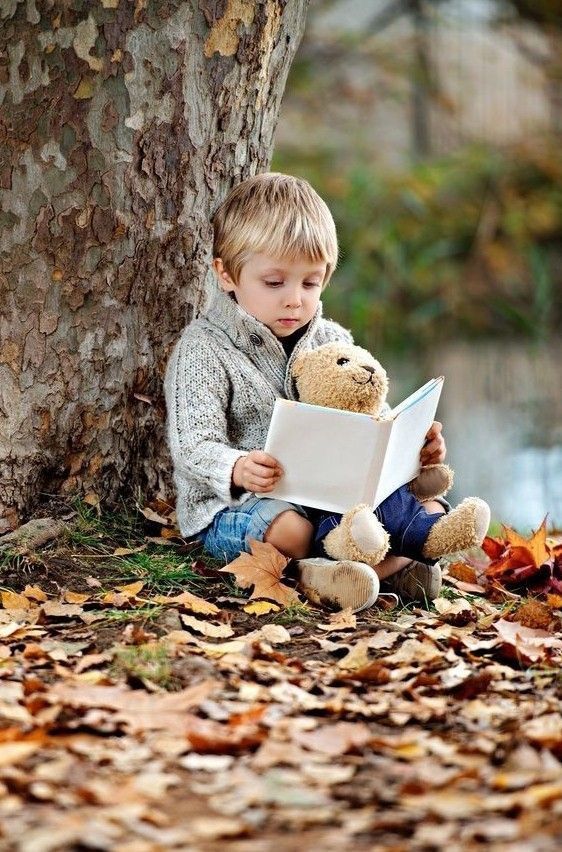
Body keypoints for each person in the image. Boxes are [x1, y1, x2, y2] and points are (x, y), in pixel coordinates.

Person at [164, 173, 448, 612]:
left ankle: (356, 571)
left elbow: (374, 417)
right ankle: (371, 568)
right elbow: (192, 445)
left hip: (332, 504)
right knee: (290, 531)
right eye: (274, 283)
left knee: (427, 512)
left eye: (310, 284)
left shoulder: (332, 338)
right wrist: (237, 467)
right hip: (240, 508)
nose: (294, 300)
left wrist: (412, 447)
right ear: (226, 274)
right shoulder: (205, 348)